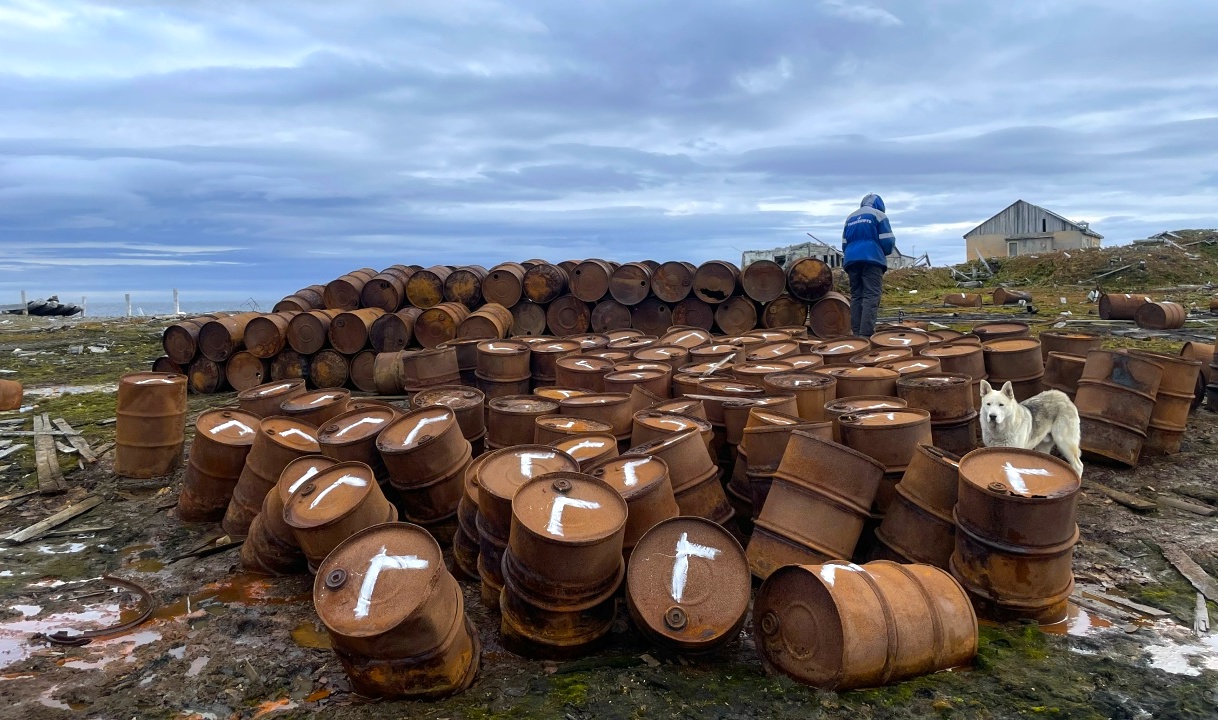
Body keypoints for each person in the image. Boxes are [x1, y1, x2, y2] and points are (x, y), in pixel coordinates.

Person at [841, 193, 895, 337]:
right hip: (871, 259)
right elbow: (888, 241)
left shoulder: (850, 218)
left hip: (851, 260)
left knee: (856, 296)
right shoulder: (879, 215)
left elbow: (844, 243)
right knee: (871, 295)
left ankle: (856, 333)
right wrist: (882, 252)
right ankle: (866, 335)